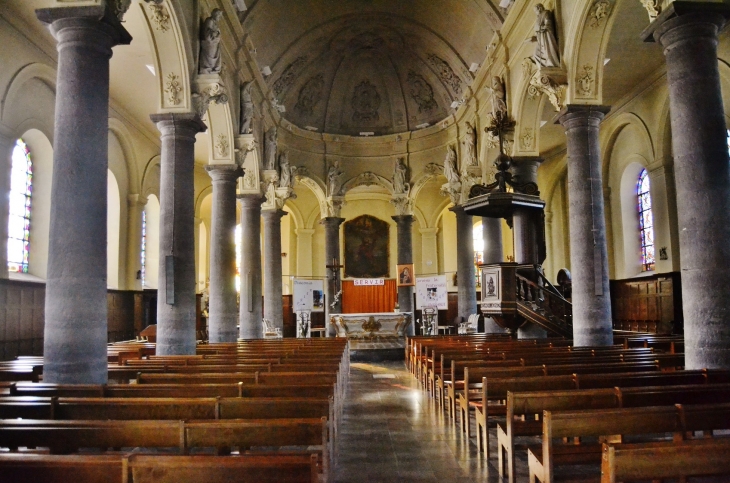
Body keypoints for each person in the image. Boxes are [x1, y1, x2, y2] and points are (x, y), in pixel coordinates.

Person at [532, 3, 560, 68]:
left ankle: (551, 64)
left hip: (546, 36)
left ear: (540, 8)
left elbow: (548, 24)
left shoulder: (546, 13)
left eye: (536, 10)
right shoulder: (538, 18)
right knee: (536, 54)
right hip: (540, 38)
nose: (536, 13)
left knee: (548, 52)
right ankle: (544, 67)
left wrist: (539, 28)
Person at [199, 9, 223, 74]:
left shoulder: (214, 23)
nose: (219, 17)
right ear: (214, 14)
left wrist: (216, 34)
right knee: (210, 58)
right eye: (218, 15)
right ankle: (207, 69)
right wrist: (215, 33)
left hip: (214, 43)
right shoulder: (209, 21)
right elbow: (207, 35)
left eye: (220, 16)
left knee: (214, 59)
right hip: (210, 43)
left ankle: (211, 70)